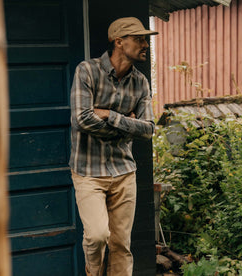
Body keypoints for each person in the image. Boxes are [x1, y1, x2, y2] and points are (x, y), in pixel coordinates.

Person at [69, 17, 158, 276]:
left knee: (121, 244)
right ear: (119, 41)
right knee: (97, 236)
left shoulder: (140, 82)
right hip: (88, 171)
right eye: (139, 39)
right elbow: (82, 119)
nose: (145, 44)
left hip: (123, 172)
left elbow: (149, 129)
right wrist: (128, 123)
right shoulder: (87, 71)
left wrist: (109, 115)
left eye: (146, 39)